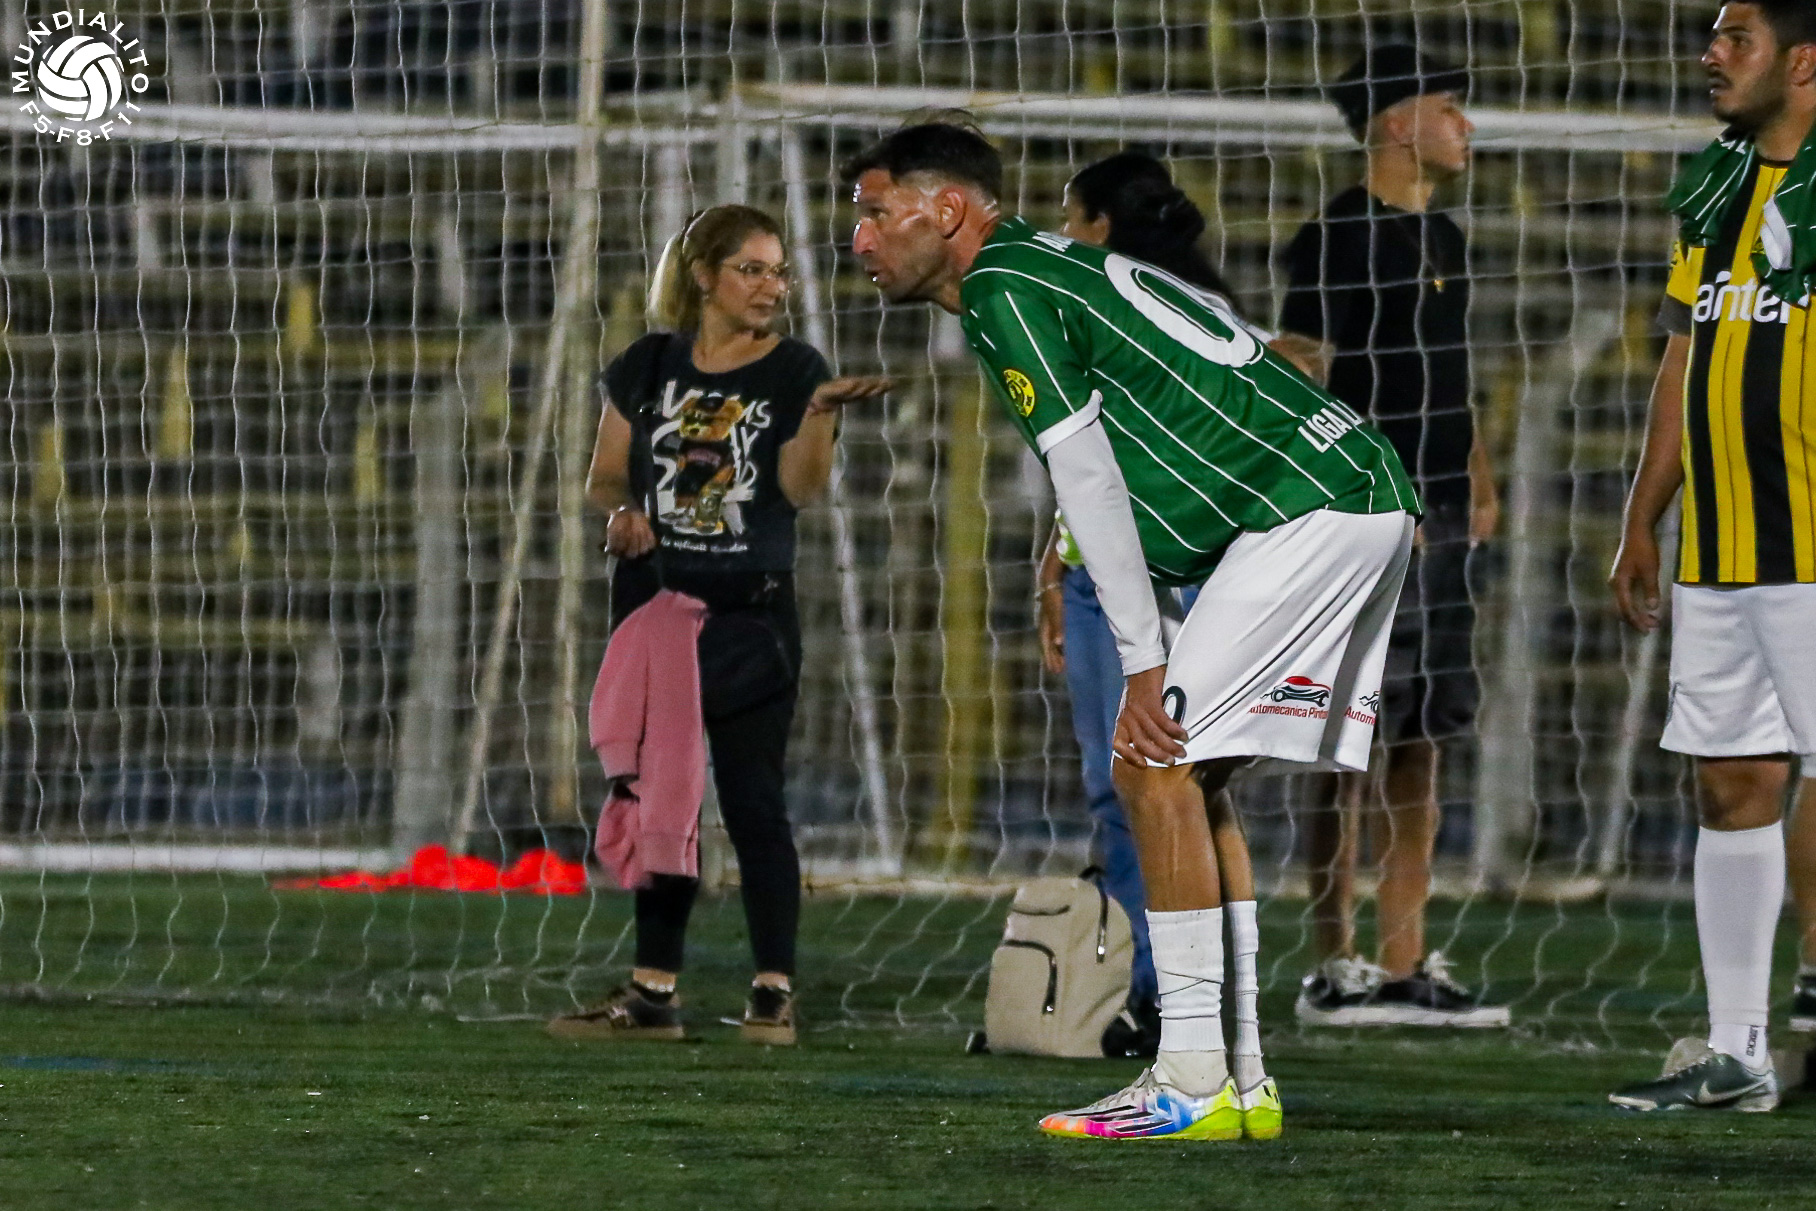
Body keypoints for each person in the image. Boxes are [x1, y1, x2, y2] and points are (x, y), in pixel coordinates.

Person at [848, 120, 1417, 1141]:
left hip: (1307, 510)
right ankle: (1238, 1074)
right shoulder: (1048, 267)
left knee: (1150, 766)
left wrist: (1144, 662)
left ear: (947, 210)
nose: (860, 238)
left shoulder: (1002, 289)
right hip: (1343, 491)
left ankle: (1187, 1078)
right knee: (1190, 779)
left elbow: (1091, 483)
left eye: (877, 213)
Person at [547, 204, 888, 1047]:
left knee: (752, 796)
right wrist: (624, 511)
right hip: (656, 610)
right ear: (704, 276)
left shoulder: (796, 369)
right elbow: (604, 477)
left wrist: (819, 415)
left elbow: (799, 491)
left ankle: (773, 991)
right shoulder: (647, 363)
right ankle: (654, 991)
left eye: (779, 271)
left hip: (748, 613)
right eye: (752, 269)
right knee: (659, 796)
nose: (773, 286)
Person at [1041, 152, 1325, 1054]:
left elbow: (1288, 394)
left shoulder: (1193, 316)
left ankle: (1194, 997)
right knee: (1120, 786)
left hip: (1179, 572)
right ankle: (1151, 990)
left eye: (1069, 218)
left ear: (1098, 227)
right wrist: (1054, 561)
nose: (1060, 236)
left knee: (1176, 783)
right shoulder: (1092, 310)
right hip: (1096, 578)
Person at [1606, 0, 1816, 1111]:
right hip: (1724, 546)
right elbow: (1684, 357)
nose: (1711, 56)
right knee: (1731, 783)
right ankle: (1739, 1051)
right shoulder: (1717, 187)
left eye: (1738, 40)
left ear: (1803, 60)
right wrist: (1642, 517)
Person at [1276, 44, 1508, 1028]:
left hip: (1443, 516)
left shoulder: (1445, 235)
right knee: (1343, 737)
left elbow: (1451, 369)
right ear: (1398, 121)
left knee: (1423, 735)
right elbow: (1301, 368)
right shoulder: (1335, 235)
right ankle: (1335, 955)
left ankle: (1406, 957)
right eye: (1449, 106)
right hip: (1369, 520)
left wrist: (1478, 473)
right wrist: (1350, 496)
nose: (1466, 125)